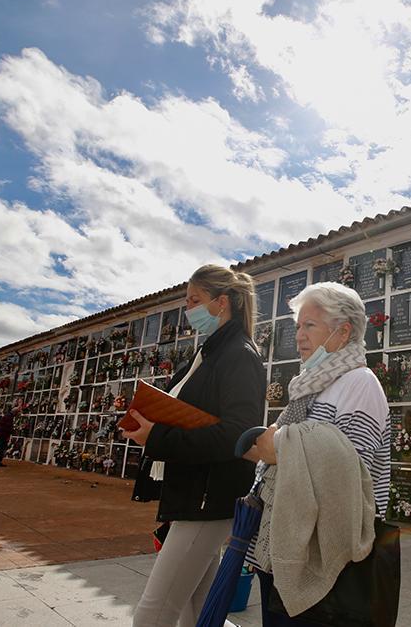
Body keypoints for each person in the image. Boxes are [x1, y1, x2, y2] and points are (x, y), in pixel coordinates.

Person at [121, 265, 265, 627]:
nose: (188, 309)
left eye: (194, 300)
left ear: (221, 302)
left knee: (153, 614)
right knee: (196, 612)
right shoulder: (209, 354)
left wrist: (157, 437)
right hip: (193, 495)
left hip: (209, 500)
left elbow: (238, 433)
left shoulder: (239, 355)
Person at [242, 282, 392, 626]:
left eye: (310, 325)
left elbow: (352, 472)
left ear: (343, 332)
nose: (299, 336)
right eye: (298, 326)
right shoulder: (311, 384)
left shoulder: (360, 383)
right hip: (285, 548)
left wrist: (280, 446)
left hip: (324, 559)